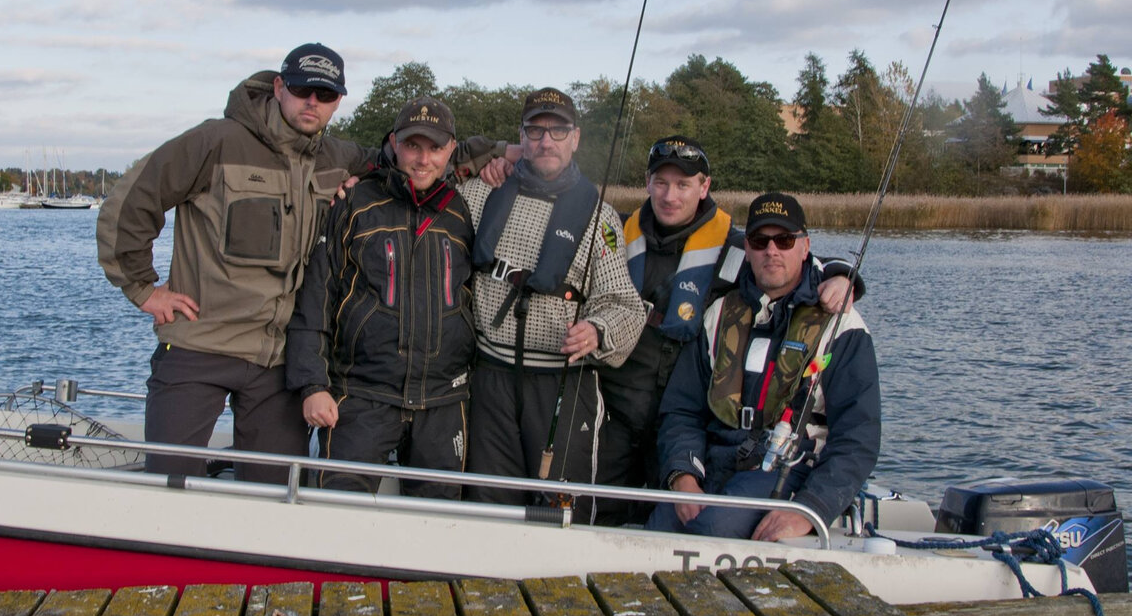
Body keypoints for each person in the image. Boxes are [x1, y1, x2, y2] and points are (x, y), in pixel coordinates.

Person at [97, 44, 512, 484]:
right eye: (301, 89)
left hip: (277, 363)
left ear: (337, 102)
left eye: (326, 94)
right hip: (200, 345)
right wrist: (143, 287)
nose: (312, 102)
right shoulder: (214, 141)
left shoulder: (338, 158)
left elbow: (421, 158)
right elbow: (132, 200)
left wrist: (506, 152)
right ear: (279, 87)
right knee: (167, 482)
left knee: (277, 492)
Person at [594, 136, 860, 526]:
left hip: (684, 418)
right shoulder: (614, 235)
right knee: (600, 513)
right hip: (617, 411)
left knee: (667, 515)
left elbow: (794, 266)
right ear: (647, 183)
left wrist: (845, 275)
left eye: (683, 184)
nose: (671, 195)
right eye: (661, 182)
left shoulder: (737, 246)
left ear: (704, 187)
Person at [647, 192, 879, 541]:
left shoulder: (842, 327)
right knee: (658, 528)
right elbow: (682, 410)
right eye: (760, 241)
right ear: (748, 249)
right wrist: (683, 476)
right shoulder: (719, 314)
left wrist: (810, 509)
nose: (772, 251)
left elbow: (858, 438)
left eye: (784, 240)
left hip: (789, 472)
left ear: (805, 246)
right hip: (714, 463)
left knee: (710, 529)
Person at [459, 88, 644, 517]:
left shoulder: (603, 218)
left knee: (562, 514)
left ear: (575, 138)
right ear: (520, 138)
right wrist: (485, 159)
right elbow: (425, 168)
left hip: (563, 385)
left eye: (558, 131)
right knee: (488, 510)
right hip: (489, 382)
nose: (546, 141)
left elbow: (625, 304)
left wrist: (598, 330)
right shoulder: (480, 193)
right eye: (536, 131)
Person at [285, 97, 474, 499]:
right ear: (393, 144)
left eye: (435, 148)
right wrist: (312, 384)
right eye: (413, 146)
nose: (423, 160)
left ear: (451, 150)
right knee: (337, 512)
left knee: (439, 523)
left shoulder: (464, 210)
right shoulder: (353, 202)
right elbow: (317, 296)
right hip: (361, 395)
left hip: (442, 401)